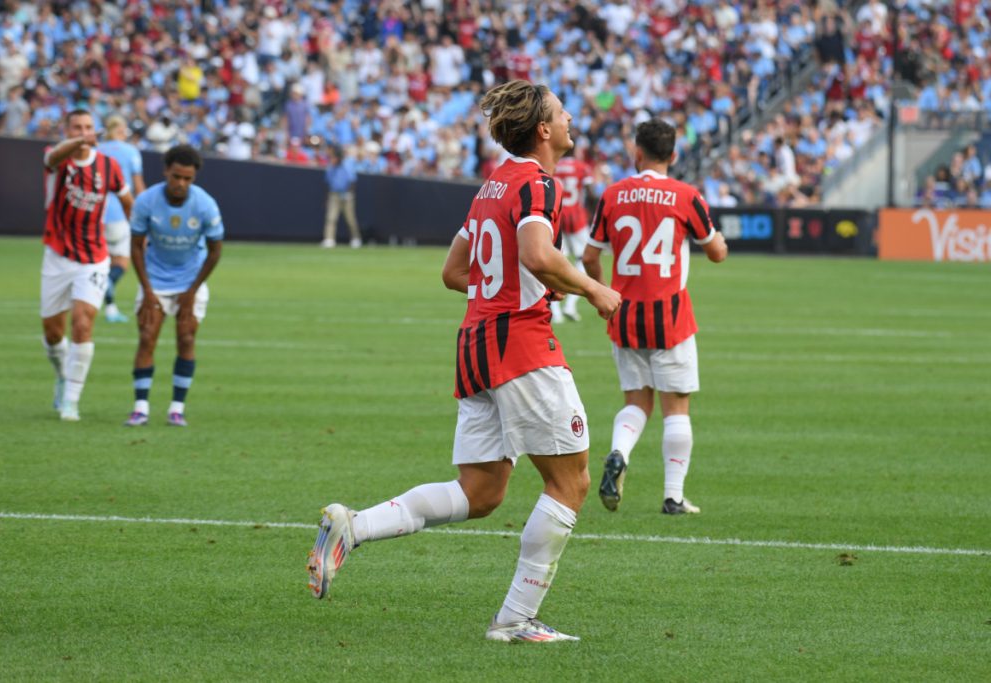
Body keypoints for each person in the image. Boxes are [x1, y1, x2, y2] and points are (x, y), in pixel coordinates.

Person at [307, 80, 621, 642]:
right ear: (543, 130)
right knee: (571, 481)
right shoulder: (538, 183)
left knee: (481, 492)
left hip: (476, 344)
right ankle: (516, 620)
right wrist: (593, 288)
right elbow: (537, 254)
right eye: (561, 112)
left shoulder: (490, 188)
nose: (571, 118)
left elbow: (454, 272)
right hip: (520, 345)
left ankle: (353, 526)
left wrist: (512, 286)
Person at [581, 118, 728, 515]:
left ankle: (618, 452)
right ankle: (673, 497)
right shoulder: (686, 195)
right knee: (676, 408)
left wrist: (602, 295)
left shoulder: (613, 194)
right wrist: (719, 240)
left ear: (637, 153)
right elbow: (716, 253)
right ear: (674, 155)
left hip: (625, 313)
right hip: (670, 316)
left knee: (636, 401)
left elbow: (590, 256)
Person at [41, 109, 133, 421]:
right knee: (53, 333)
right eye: (77, 128)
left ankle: (71, 401)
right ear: (67, 131)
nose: (83, 132)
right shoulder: (57, 159)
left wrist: (140, 233)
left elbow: (127, 201)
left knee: (83, 322)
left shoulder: (108, 165)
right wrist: (78, 142)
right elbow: (53, 157)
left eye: (88, 127)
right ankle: (62, 374)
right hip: (57, 255)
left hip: (94, 257)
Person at [124, 145, 224, 427]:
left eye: (187, 179)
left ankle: (176, 409)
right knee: (147, 337)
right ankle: (140, 408)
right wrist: (147, 290)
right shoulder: (146, 201)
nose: (181, 183)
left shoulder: (205, 204)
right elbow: (136, 246)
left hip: (190, 280)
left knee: (187, 339)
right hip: (154, 279)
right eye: (176, 176)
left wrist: (192, 291)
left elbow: (215, 251)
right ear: (166, 171)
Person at [97, 115, 146, 323]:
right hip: (119, 212)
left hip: (95, 213)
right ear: (121, 129)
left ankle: (110, 309)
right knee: (121, 263)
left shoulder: (97, 150)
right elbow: (138, 186)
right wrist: (144, 213)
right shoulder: (130, 151)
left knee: (100, 262)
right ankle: (103, 287)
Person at [551, 150, 595, 323]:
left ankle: (555, 310)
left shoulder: (553, 165)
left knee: (555, 260)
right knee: (583, 260)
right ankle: (570, 305)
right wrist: (591, 213)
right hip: (577, 217)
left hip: (558, 215)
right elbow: (591, 192)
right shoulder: (582, 167)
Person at [321, 145, 362, 248]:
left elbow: (352, 181)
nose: (332, 160)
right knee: (331, 218)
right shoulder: (330, 167)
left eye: (334, 157)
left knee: (350, 219)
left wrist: (349, 193)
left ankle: (355, 238)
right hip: (334, 195)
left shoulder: (347, 166)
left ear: (339, 158)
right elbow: (327, 183)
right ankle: (329, 239)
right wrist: (327, 198)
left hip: (347, 196)